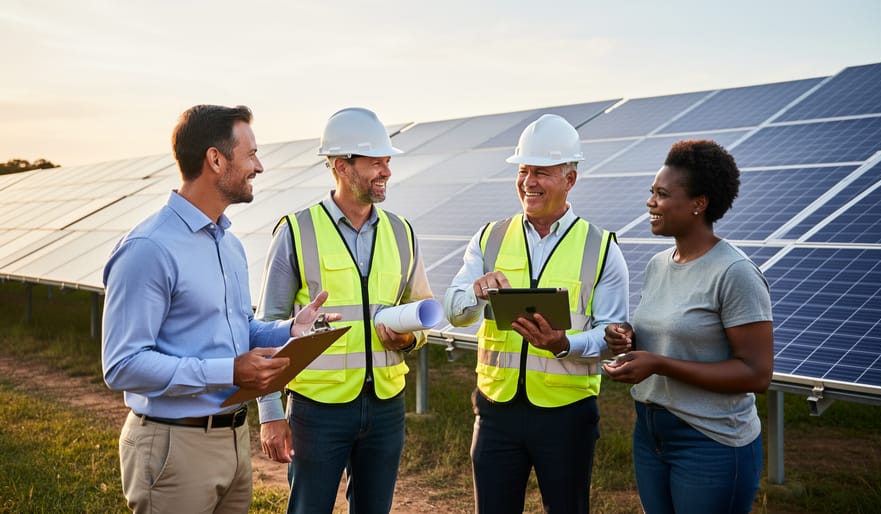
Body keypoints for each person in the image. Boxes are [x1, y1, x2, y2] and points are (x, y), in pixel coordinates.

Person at [101, 104, 338, 514]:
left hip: (232, 440)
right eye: (251, 154)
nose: (259, 166)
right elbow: (122, 365)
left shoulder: (228, 245)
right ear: (215, 159)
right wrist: (229, 371)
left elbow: (238, 329)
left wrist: (288, 332)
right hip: (173, 445)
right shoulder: (149, 249)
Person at [443, 114, 630, 514]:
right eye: (524, 170)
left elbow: (611, 335)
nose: (528, 181)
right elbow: (456, 312)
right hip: (496, 410)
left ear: (570, 179)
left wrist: (564, 345)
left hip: (567, 415)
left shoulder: (601, 248)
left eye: (541, 172)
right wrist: (475, 294)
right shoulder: (489, 237)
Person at [254, 107, 434, 514]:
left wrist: (409, 336)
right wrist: (269, 413)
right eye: (375, 163)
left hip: (386, 405)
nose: (386, 170)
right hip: (316, 409)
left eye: (388, 161)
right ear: (341, 166)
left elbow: (424, 309)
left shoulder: (402, 232)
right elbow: (266, 327)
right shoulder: (297, 231)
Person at [603, 139, 774, 514]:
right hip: (649, 433)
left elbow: (757, 374)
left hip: (711, 441)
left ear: (699, 204)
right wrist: (628, 337)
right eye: (651, 192)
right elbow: (668, 335)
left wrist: (660, 364)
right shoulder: (658, 264)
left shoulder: (735, 273)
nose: (650, 202)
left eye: (662, 194)